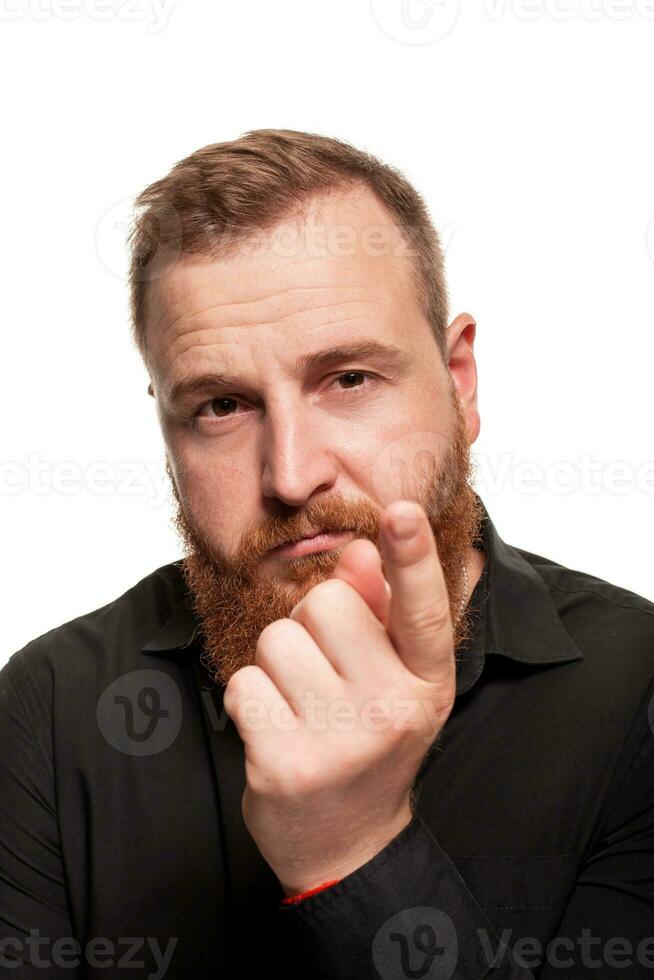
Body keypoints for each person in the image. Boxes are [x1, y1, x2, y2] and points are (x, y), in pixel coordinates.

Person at [1, 129, 653, 979]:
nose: (292, 473)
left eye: (348, 379)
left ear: (460, 385)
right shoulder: (50, 709)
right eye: (222, 405)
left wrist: (353, 855)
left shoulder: (636, 687)